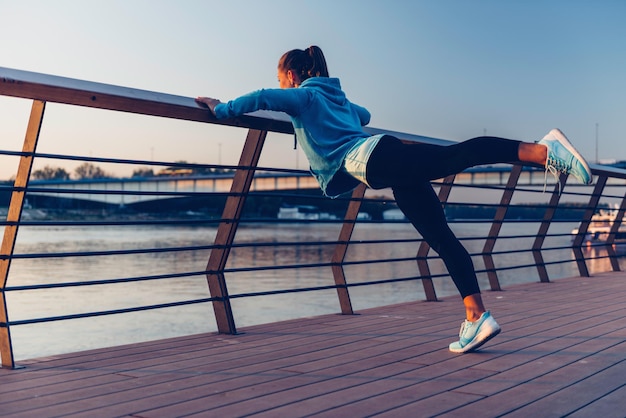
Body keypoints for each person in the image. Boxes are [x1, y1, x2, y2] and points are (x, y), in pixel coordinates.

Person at [196, 45, 592, 354]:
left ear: (293, 75)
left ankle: (542, 151)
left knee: (457, 156)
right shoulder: (333, 98)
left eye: (283, 78)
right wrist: (340, 112)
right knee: (439, 235)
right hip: (385, 162)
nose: (282, 86)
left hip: (377, 160)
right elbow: (364, 114)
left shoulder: (302, 97)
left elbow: (262, 98)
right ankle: (476, 316)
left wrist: (221, 109)